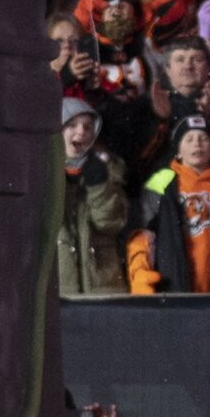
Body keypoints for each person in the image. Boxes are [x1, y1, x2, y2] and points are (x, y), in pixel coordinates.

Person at [126, 114, 210, 293]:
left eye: (204, 138)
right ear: (178, 150)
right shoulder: (160, 184)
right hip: (172, 282)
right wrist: (140, 272)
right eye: (188, 139)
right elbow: (142, 233)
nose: (197, 144)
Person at [55, 97, 130, 297]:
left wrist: (99, 186)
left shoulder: (107, 169)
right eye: (72, 125)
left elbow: (110, 223)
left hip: (102, 286)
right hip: (57, 287)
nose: (81, 132)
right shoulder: (40, 168)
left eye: (88, 127)